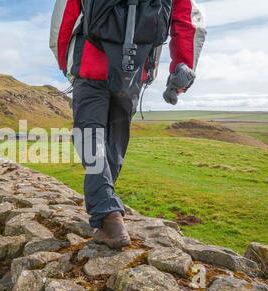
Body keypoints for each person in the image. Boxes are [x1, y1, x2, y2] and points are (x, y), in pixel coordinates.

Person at [50, 0, 206, 249]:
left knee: (90, 136)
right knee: (116, 139)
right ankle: (107, 211)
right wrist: (182, 67)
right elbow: (188, 23)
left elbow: (64, 21)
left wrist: (65, 62)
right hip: (134, 70)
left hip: (90, 64)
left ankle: (108, 215)